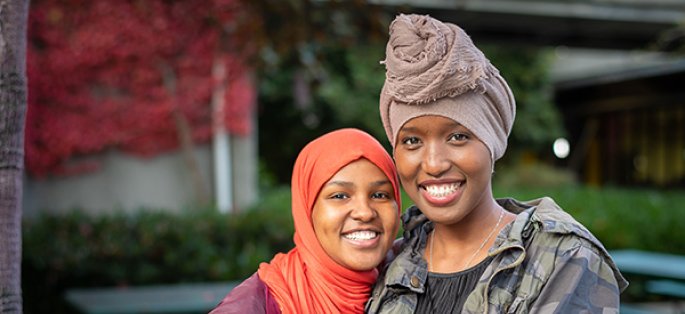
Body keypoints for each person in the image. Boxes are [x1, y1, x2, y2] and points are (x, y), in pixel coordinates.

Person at [365, 14, 628, 314]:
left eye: (458, 136)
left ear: (493, 143)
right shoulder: (389, 263)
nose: (434, 164)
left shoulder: (563, 260)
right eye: (411, 141)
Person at [210, 128, 402, 314]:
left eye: (380, 195)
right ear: (307, 210)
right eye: (340, 196)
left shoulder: (411, 282)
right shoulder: (259, 305)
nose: (365, 212)